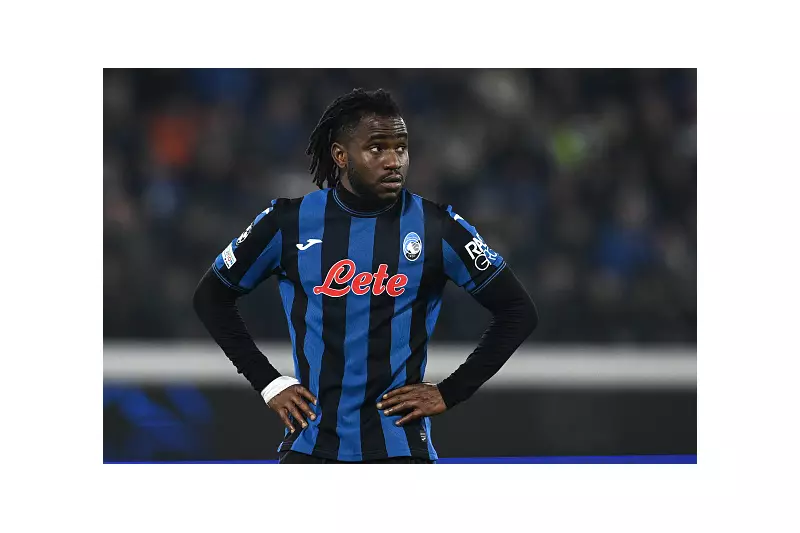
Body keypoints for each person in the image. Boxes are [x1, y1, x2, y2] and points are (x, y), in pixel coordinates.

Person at [193, 88, 538, 464]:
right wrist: (268, 382)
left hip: (399, 451)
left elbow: (518, 311)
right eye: (377, 148)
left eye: (401, 148)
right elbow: (211, 297)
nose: (394, 161)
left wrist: (451, 391)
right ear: (340, 155)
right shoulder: (287, 223)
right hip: (311, 447)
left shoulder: (438, 228)